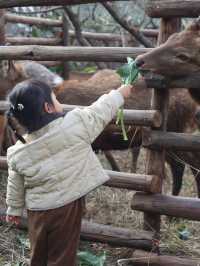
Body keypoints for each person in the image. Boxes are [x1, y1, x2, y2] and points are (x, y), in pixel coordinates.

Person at [5, 79, 133, 266]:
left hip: (37, 211)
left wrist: (14, 208)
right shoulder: (76, 124)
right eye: (54, 98)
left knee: (38, 253)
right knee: (62, 255)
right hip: (66, 208)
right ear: (48, 108)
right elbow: (100, 110)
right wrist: (120, 93)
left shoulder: (17, 151)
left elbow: (14, 182)